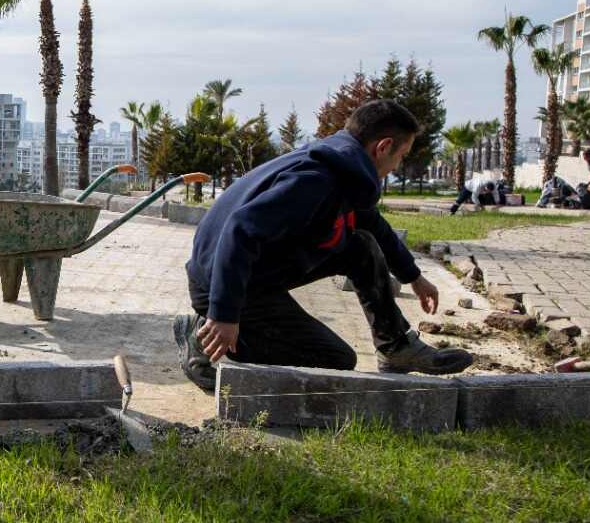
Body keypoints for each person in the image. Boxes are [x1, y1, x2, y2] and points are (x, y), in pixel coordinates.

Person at [173, 99, 474, 386]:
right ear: (383, 147)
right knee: (334, 359)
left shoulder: (343, 170)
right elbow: (240, 230)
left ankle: (394, 347)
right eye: (401, 155)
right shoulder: (316, 179)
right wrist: (224, 313)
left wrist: (414, 278)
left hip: (253, 271)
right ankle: (202, 336)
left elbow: (375, 226)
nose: (397, 165)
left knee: (361, 246)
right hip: (221, 283)